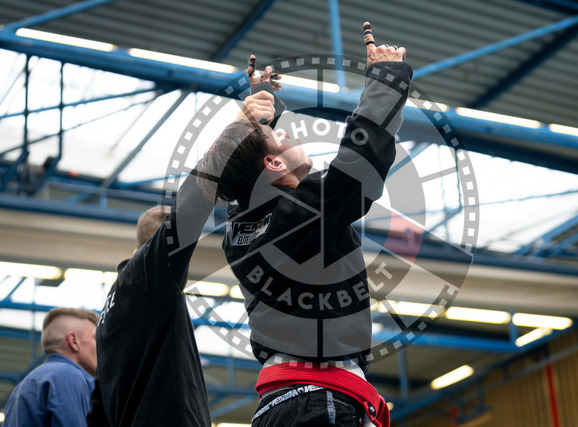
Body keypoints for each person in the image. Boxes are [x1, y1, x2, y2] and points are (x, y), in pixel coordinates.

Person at [197, 21, 411, 427]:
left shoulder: (240, 232)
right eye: (280, 137)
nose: (291, 136)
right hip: (318, 402)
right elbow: (358, 167)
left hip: (285, 404)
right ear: (273, 163)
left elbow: (247, 182)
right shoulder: (299, 218)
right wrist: (385, 80)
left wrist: (261, 118)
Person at [85, 77, 279, 426]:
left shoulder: (108, 316)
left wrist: (256, 137)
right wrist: (236, 129)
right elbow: (188, 213)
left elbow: (98, 410)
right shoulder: (145, 278)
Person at [4, 307, 99, 427]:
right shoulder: (67, 376)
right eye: (96, 338)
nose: (101, 347)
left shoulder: (21, 388)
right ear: (73, 341)